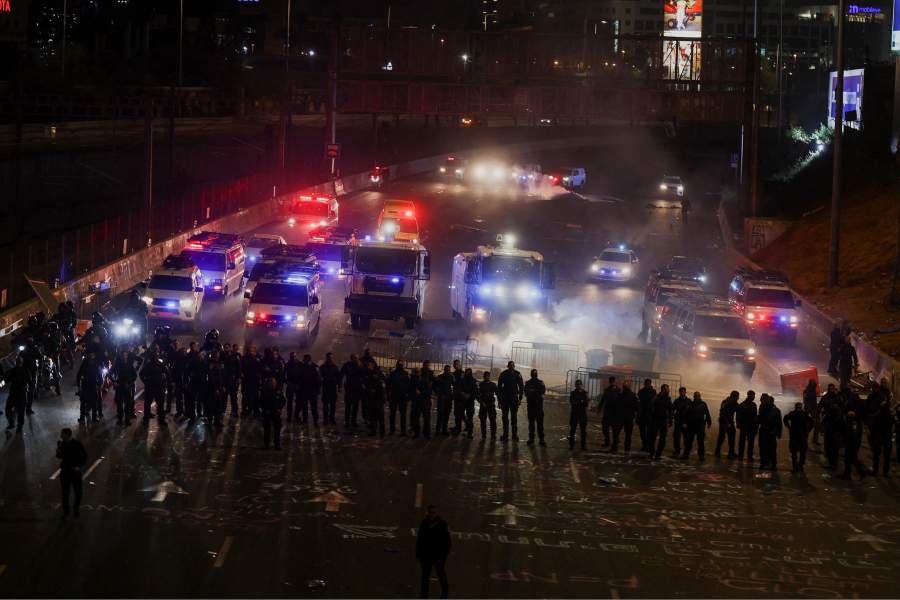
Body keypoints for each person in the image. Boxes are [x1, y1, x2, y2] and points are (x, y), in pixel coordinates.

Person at [416, 505, 451, 599]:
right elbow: (420, 540)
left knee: (441, 574)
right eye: (430, 512)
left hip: (438, 555)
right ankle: (424, 594)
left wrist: (443, 556)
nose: (432, 514)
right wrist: (418, 554)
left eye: (433, 513)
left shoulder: (443, 524)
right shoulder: (424, 523)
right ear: (428, 513)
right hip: (426, 555)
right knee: (425, 576)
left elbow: (447, 542)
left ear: (437, 513)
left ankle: (445, 591)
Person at [56, 428, 87, 518]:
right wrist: (58, 449)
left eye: (62, 434)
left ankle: (76, 508)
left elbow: (84, 456)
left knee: (78, 492)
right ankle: (66, 512)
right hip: (65, 471)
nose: (61, 436)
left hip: (75, 471)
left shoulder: (77, 444)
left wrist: (79, 466)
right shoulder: (61, 444)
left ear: (67, 435)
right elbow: (59, 456)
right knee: (65, 493)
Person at [869, 392, 896, 477]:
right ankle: (884, 472)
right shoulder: (889, 416)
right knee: (885, 455)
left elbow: (872, 426)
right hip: (885, 436)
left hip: (880, 436)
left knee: (877, 455)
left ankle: (876, 470)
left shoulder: (877, 415)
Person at [111, 348, 140, 425]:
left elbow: (135, 375)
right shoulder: (117, 364)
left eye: (126, 355)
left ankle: (127, 419)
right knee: (120, 404)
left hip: (127, 386)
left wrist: (130, 383)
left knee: (128, 404)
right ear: (121, 355)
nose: (125, 356)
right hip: (119, 385)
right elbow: (110, 373)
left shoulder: (129, 364)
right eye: (123, 355)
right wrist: (114, 382)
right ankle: (120, 419)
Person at [139, 346, 168, 424]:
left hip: (155, 386)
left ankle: (156, 418)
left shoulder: (158, 364)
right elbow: (141, 374)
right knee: (154, 403)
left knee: (156, 403)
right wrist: (146, 382)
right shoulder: (152, 364)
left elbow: (167, 373)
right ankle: (152, 418)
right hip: (153, 386)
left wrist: (146, 382)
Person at [783, 402, 814, 473]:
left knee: (798, 452)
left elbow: (785, 418)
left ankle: (798, 466)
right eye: (799, 407)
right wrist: (808, 430)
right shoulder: (802, 414)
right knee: (798, 452)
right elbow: (812, 422)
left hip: (797, 435)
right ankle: (798, 466)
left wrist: (789, 427)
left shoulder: (797, 413)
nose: (799, 409)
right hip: (799, 435)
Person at [497, 361, 524, 443]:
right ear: (508, 366)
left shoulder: (517, 374)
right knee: (505, 418)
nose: (511, 367)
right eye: (510, 365)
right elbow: (499, 387)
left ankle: (514, 435)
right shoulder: (504, 374)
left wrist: (520, 398)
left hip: (513, 399)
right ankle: (506, 435)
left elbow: (521, 386)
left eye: (512, 365)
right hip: (505, 399)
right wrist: (499, 400)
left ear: (514, 366)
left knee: (513, 418)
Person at [681, 391, 712, 460]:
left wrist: (709, 422)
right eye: (696, 396)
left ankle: (701, 456)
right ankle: (686, 455)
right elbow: (686, 414)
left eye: (698, 396)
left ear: (700, 396)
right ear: (694, 397)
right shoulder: (690, 404)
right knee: (689, 441)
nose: (697, 397)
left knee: (700, 442)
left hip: (700, 425)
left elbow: (707, 413)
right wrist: (684, 422)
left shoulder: (703, 404)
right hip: (691, 425)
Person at [76, 352, 104, 424]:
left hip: (93, 385)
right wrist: (78, 386)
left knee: (94, 402)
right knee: (83, 402)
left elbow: (99, 374)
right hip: (85, 385)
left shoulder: (96, 364)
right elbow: (79, 374)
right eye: (91, 355)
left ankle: (94, 417)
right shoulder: (85, 364)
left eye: (93, 355)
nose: (92, 356)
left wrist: (100, 383)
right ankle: (82, 418)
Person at [757, 394, 782, 470]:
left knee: (768, 449)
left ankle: (768, 463)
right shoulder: (766, 409)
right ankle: (768, 463)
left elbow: (778, 422)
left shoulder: (769, 409)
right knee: (766, 448)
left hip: (768, 431)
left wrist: (778, 432)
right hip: (767, 431)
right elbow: (779, 423)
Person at [4, 356, 29, 433]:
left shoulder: (13, 370)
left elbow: (6, 380)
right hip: (20, 393)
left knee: (9, 409)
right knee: (20, 411)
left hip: (15, 393)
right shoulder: (25, 370)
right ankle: (18, 426)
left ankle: (12, 423)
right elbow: (30, 380)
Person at [647, 383, 672, 459]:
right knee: (653, 437)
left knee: (662, 438)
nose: (668, 390)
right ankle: (652, 453)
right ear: (664, 390)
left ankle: (658, 454)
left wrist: (670, 419)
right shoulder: (656, 397)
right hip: (655, 420)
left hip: (663, 420)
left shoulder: (667, 398)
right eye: (667, 389)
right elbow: (650, 407)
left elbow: (670, 409)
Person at [259, 377, 285, 450]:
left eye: (274, 383)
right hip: (267, 413)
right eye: (272, 383)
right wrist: (264, 410)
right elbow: (261, 401)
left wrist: (279, 408)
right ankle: (266, 444)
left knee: (277, 429)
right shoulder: (265, 392)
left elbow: (283, 400)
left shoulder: (278, 391)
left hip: (276, 413)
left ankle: (277, 444)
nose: (273, 384)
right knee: (267, 429)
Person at [842, 408, 866, 480]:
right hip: (851, 444)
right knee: (849, 459)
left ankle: (861, 472)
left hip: (852, 444)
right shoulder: (853, 423)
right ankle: (847, 474)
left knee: (852, 459)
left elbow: (854, 435)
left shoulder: (854, 424)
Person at [388, 360, 411, 436]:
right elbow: (408, 385)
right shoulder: (404, 373)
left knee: (395, 414)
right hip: (400, 396)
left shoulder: (394, 373)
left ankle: (394, 430)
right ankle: (401, 431)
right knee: (400, 414)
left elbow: (389, 384)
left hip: (397, 396)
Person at [524, 369, 547, 446]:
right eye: (533, 373)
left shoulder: (539, 382)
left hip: (537, 406)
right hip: (533, 406)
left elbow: (543, 391)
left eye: (535, 373)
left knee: (539, 424)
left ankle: (540, 439)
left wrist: (533, 391)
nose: (534, 375)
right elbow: (526, 393)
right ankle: (533, 439)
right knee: (532, 424)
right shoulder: (529, 383)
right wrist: (536, 392)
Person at [715, 391, 740, 459]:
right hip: (723, 421)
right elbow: (722, 412)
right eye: (737, 397)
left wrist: (737, 422)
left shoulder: (735, 404)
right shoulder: (725, 402)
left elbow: (738, 413)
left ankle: (731, 452)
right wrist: (727, 422)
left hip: (730, 422)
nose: (738, 398)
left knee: (731, 437)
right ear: (733, 397)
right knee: (722, 437)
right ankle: (717, 451)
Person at [299, 354, 322, 426]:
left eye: (304, 360)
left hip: (310, 390)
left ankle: (314, 420)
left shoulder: (313, 367)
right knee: (307, 407)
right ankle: (308, 420)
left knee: (312, 407)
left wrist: (318, 390)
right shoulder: (308, 366)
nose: (304, 361)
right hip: (307, 390)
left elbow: (318, 380)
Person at [341, 354, 364, 428]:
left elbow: (342, 374)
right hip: (351, 388)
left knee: (353, 406)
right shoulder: (355, 365)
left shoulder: (357, 365)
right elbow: (342, 374)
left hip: (354, 388)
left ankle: (351, 421)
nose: (357, 359)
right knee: (350, 406)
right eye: (356, 358)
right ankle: (349, 421)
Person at [365, 361, 386, 436]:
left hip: (378, 397)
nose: (368, 367)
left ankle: (381, 431)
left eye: (369, 365)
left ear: (372, 366)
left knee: (379, 415)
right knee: (373, 415)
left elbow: (382, 384)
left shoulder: (377, 373)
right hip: (372, 398)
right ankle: (374, 430)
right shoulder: (368, 374)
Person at [736, 390, 758, 462]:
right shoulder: (743, 405)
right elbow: (738, 415)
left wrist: (756, 427)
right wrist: (738, 423)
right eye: (752, 396)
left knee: (749, 442)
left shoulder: (751, 405)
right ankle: (743, 456)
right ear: (748, 396)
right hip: (745, 426)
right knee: (744, 442)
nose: (753, 397)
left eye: (753, 396)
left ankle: (747, 456)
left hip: (750, 426)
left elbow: (755, 417)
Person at [320, 352, 341, 426]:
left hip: (332, 388)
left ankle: (331, 418)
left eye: (331, 357)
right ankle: (326, 419)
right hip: (326, 388)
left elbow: (338, 377)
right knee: (326, 405)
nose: (330, 359)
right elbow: (319, 377)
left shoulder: (335, 367)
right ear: (327, 358)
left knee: (332, 405)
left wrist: (339, 386)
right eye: (329, 357)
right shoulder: (323, 367)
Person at [222, 343, 242, 418]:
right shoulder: (222, 355)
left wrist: (238, 377)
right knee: (224, 397)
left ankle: (234, 411)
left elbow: (238, 367)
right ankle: (222, 411)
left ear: (230, 348)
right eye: (225, 347)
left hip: (232, 379)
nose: (226, 349)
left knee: (233, 397)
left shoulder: (235, 356)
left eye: (227, 347)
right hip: (225, 380)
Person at [433, 365, 455, 436]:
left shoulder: (451, 377)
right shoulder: (440, 377)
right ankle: (438, 430)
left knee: (446, 415)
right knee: (440, 414)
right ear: (444, 370)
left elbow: (455, 385)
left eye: (449, 370)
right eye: (447, 369)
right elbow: (435, 386)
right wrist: (438, 393)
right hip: (442, 398)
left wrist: (452, 394)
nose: (448, 371)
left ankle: (444, 430)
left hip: (448, 398)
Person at [569, 379, 590, 450]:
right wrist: (581, 401)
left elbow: (586, 403)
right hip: (575, 413)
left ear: (581, 385)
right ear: (575, 385)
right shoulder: (573, 393)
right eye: (577, 384)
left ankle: (583, 446)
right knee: (573, 430)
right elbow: (572, 402)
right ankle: (571, 445)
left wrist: (579, 401)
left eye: (579, 384)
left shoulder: (585, 393)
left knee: (583, 430)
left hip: (582, 414)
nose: (578, 386)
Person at [477, 371, 498, 441]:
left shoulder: (493, 385)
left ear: (489, 376)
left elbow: (497, 393)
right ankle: (484, 435)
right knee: (483, 421)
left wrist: (500, 402)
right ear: (484, 377)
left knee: (493, 420)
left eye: (488, 376)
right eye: (486, 376)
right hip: (483, 405)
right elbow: (478, 395)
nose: (487, 377)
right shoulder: (481, 385)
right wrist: (481, 402)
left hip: (491, 404)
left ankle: (493, 435)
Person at [637, 379, 656, 453]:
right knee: (642, 431)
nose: (647, 385)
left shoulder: (652, 392)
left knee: (648, 431)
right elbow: (640, 402)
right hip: (643, 413)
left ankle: (647, 445)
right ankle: (645, 445)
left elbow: (652, 401)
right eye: (646, 383)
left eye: (648, 383)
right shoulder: (642, 391)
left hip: (649, 413)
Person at [670, 386, 690, 457]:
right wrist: (671, 418)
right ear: (679, 392)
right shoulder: (677, 401)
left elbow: (691, 411)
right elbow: (672, 410)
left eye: (683, 391)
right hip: (678, 421)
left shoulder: (689, 401)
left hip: (686, 422)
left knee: (686, 438)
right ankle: (677, 450)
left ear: (685, 392)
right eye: (681, 391)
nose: (682, 393)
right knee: (676, 437)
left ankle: (686, 452)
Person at [458, 368, 478, 439]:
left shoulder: (473, 380)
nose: (467, 374)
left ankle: (470, 432)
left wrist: (469, 395)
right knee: (461, 414)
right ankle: (467, 425)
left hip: (470, 401)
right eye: (467, 372)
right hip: (463, 400)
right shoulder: (462, 380)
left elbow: (475, 390)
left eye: (469, 373)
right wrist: (463, 394)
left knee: (470, 417)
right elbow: (459, 388)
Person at [284, 352, 303, 422]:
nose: (293, 358)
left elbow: (302, 375)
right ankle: (290, 416)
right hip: (291, 384)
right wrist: (287, 382)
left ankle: (296, 415)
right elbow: (284, 374)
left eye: (294, 356)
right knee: (290, 402)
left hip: (297, 385)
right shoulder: (288, 364)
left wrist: (299, 384)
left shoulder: (299, 364)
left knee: (298, 401)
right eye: (292, 357)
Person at [450, 360, 466, 436]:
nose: (455, 365)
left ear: (460, 365)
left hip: (461, 396)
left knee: (458, 413)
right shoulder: (455, 373)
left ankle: (458, 429)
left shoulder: (462, 373)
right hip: (456, 395)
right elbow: (454, 383)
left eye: (457, 364)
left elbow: (460, 384)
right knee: (458, 413)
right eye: (454, 364)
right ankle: (465, 426)